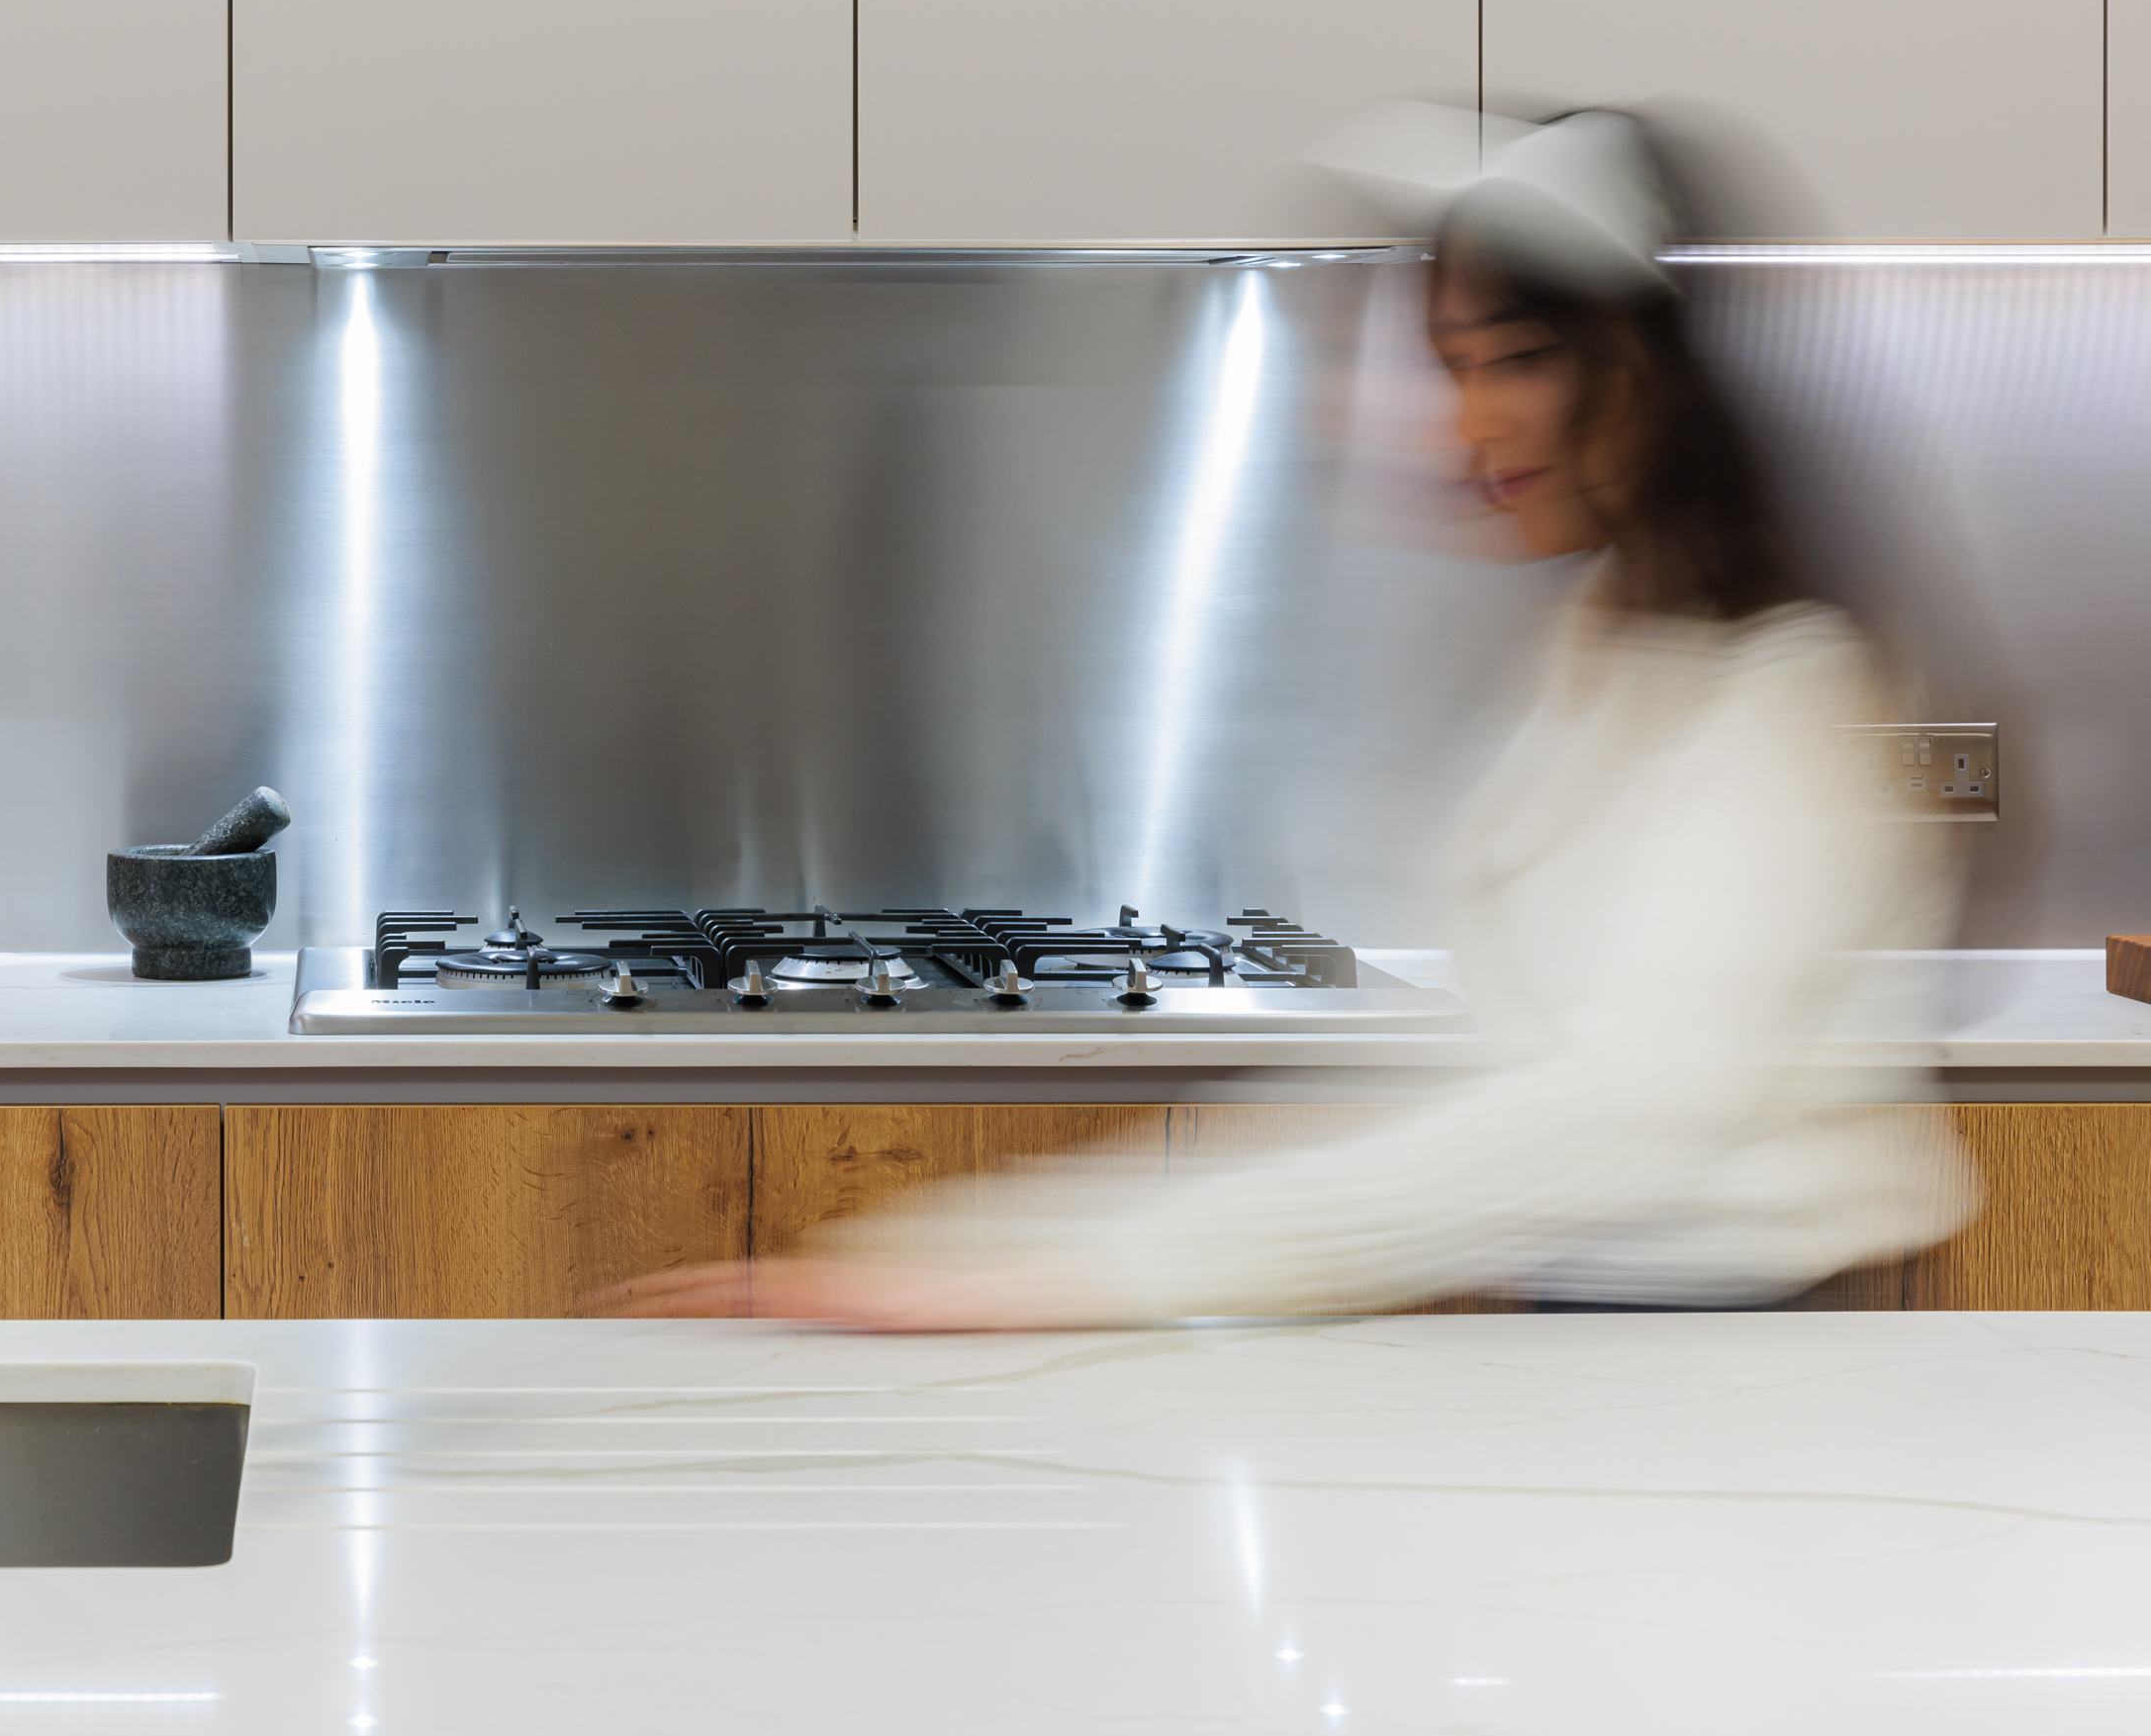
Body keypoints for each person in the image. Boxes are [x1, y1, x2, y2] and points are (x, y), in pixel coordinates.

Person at [610, 110, 1974, 1329]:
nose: (1469, 421)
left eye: (1518, 359)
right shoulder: (1612, 641)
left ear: (1647, 372)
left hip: (1757, 1350)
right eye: (1452, 362)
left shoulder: (1784, 687)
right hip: (1607, 1324)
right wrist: (1006, 1245)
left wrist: (1069, 1273)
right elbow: (1468, 1071)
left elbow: (1632, 1103)